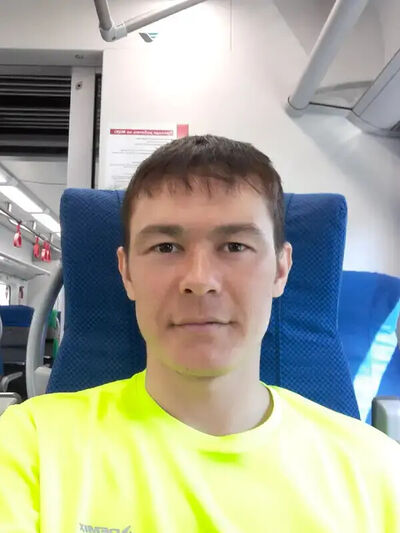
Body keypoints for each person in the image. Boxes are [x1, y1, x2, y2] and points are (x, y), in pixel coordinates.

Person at [0, 135, 399, 533]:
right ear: (127, 272)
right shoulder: (29, 447)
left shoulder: (378, 473)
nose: (200, 280)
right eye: (166, 247)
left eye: (235, 246)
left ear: (281, 269)